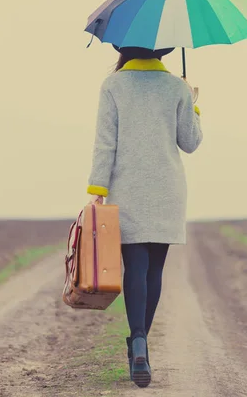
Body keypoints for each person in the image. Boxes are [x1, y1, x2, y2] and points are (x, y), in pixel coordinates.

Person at [86, 45, 203, 388]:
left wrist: (97, 188)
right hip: (167, 190)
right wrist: (191, 101)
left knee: (135, 268)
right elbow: (191, 142)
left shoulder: (113, 86)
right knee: (155, 270)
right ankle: (140, 344)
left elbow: (104, 143)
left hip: (128, 189)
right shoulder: (176, 87)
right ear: (164, 49)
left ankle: (138, 341)